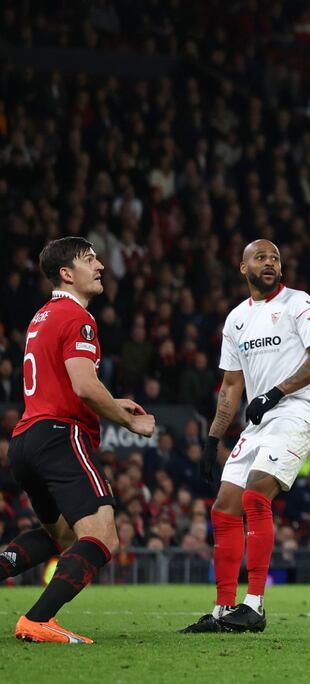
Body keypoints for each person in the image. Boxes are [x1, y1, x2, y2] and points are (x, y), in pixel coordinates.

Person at [2, 237, 156, 643]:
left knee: (61, 537)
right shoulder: (78, 318)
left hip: (26, 440)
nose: (101, 266)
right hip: (60, 435)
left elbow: (65, 382)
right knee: (103, 536)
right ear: (67, 274)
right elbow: (84, 387)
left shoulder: (43, 316)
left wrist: (111, 400)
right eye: (90, 260)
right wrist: (127, 420)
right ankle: (36, 620)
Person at [180, 239, 310, 634]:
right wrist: (212, 439)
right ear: (243, 267)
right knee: (224, 507)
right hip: (258, 421)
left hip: (295, 411)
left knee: (255, 494)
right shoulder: (236, 320)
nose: (269, 263)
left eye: (275, 258)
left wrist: (276, 392)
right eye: (260, 257)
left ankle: (255, 605)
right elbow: (231, 386)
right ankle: (223, 609)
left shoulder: (300, 304)